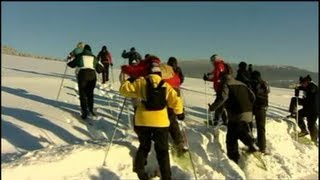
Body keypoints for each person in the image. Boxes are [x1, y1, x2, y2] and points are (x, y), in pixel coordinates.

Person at [119, 60, 184, 180]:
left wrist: (130, 79)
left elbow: (123, 90)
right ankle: (166, 176)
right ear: (159, 73)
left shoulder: (141, 82)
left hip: (142, 120)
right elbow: (176, 101)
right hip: (161, 122)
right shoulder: (165, 85)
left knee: (144, 146)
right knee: (162, 150)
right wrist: (179, 113)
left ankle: (139, 170)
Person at [208, 63, 259, 164]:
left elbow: (222, 98)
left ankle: (237, 155)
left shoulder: (225, 84)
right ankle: (248, 144)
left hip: (236, 114)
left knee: (231, 136)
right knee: (235, 132)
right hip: (249, 113)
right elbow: (252, 97)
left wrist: (212, 108)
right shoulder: (241, 83)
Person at [67, 44, 104, 120]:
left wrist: (69, 59)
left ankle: (84, 112)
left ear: (84, 50)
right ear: (90, 50)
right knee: (90, 93)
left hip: (83, 75)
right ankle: (90, 109)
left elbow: (71, 64)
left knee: (82, 93)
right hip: (92, 76)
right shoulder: (94, 57)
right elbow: (100, 69)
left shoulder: (80, 56)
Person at [166, 56, 188, 153]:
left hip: (166, 94)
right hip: (176, 92)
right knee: (172, 117)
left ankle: (176, 141)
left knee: (169, 117)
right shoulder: (178, 70)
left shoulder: (165, 70)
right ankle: (178, 140)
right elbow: (181, 79)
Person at [203, 54, 228, 126]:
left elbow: (217, 78)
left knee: (218, 105)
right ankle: (224, 121)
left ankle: (216, 122)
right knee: (221, 106)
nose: (212, 63)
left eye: (212, 61)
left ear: (215, 60)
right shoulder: (219, 66)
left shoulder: (219, 66)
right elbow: (216, 78)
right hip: (220, 89)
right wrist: (208, 78)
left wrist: (209, 78)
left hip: (221, 89)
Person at [251, 70, 270, 154]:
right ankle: (262, 146)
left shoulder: (252, 83)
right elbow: (268, 91)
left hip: (254, 106)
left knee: (249, 124)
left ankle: (250, 142)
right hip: (263, 107)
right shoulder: (264, 83)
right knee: (261, 127)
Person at [296, 75, 318, 144]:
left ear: (306, 82)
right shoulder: (309, 86)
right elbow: (307, 95)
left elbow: (311, 90)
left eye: (302, 83)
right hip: (310, 108)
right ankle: (313, 139)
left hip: (313, 109)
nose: (302, 85)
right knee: (311, 124)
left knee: (311, 124)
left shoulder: (312, 86)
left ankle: (313, 139)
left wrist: (300, 88)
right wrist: (299, 88)